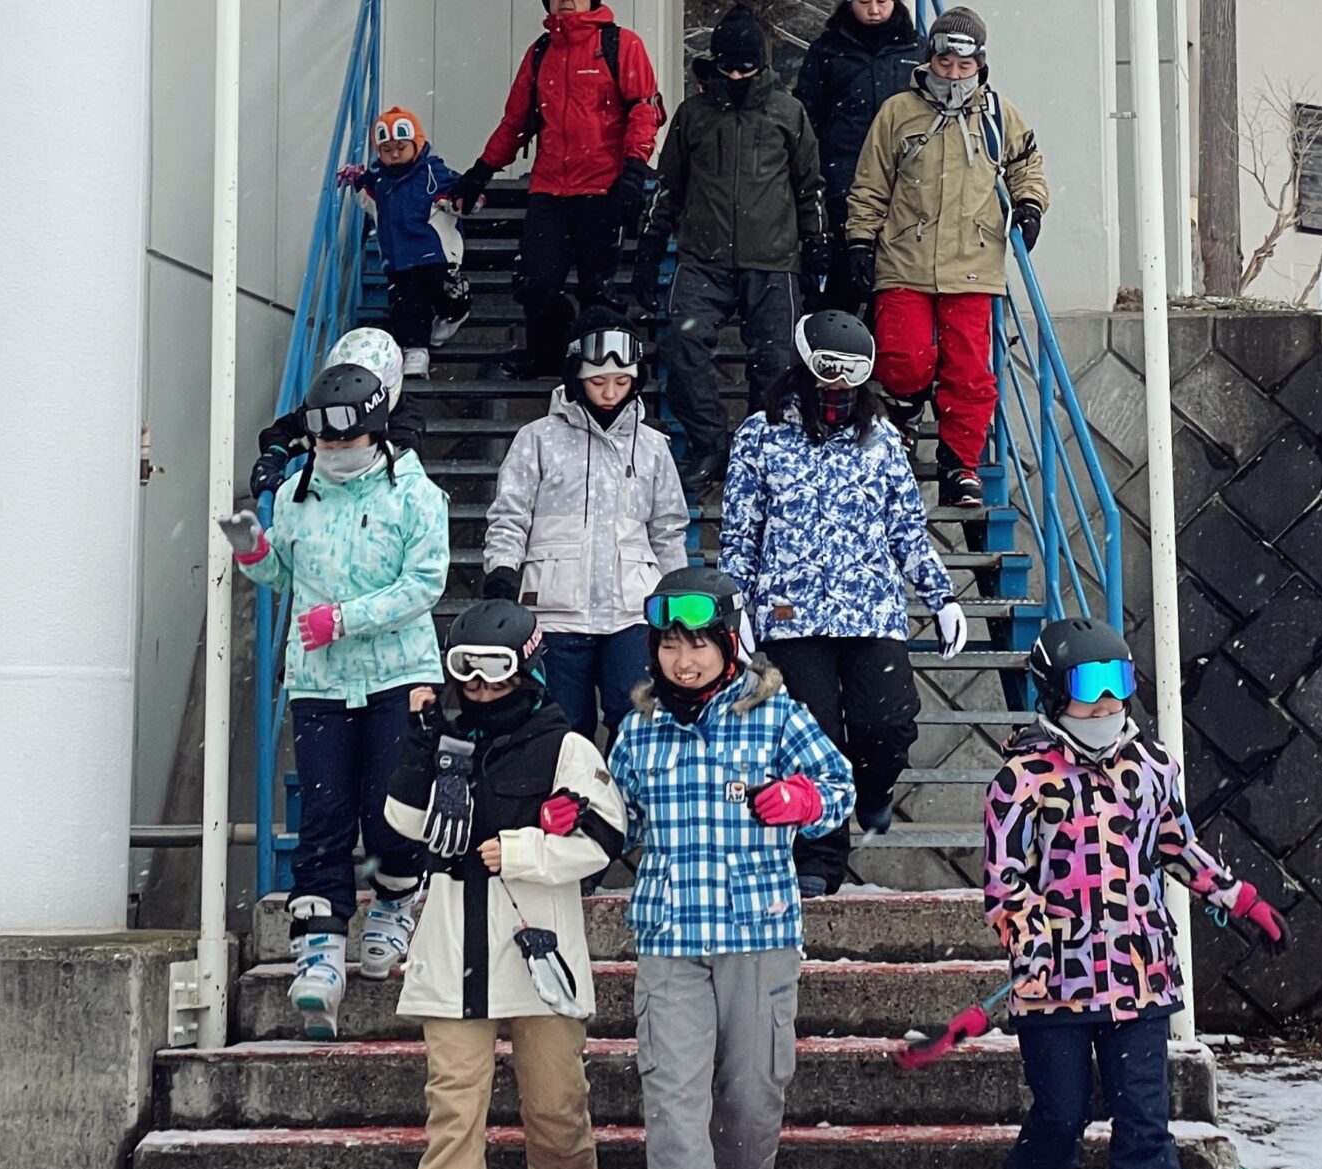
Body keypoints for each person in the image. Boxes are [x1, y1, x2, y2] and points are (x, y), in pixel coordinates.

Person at [983, 616, 1289, 1169]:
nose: (1106, 706)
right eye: (1090, 690)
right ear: (1055, 694)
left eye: (1119, 687)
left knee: (1146, 1127)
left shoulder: (1151, 768)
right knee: (1063, 1109)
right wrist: (1035, 940)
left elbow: (1176, 845)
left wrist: (1235, 896)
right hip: (1053, 983)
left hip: (1138, 977)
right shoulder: (1020, 778)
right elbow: (1003, 885)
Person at [609, 567, 854, 1169]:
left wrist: (804, 799)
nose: (684, 661)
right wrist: (576, 823)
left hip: (759, 935)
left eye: (700, 646)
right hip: (671, 938)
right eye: (671, 646)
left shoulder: (774, 711)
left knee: (752, 1088)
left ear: (729, 645)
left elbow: (838, 783)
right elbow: (619, 820)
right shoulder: (637, 729)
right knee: (674, 1105)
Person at [385, 598, 627, 1169]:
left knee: (554, 1089)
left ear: (526, 665)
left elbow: (604, 838)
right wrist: (421, 744)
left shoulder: (565, 746)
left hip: (535, 940)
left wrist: (522, 850)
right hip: (454, 939)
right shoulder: (442, 735)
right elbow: (399, 822)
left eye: (495, 669)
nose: (481, 685)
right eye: (466, 670)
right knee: (454, 1107)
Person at [219, 355, 449, 1035]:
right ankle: (318, 950)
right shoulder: (297, 490)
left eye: (345, 442)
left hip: (397, 675)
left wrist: (345, 619)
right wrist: (252, 549)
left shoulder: (414, 495)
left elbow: (425, 584)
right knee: (323, 817)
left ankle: (395, 901)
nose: (333, 452)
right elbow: (283, 573)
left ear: (374, 435)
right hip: (320, 681)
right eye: (322, 441)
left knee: (391, 809)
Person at [717, 309, 965, 896]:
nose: (838, 385)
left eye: (852, 373)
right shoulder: (760, 436)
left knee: (888, 723)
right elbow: (739, 532)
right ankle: (821, 858)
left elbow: (906, 528)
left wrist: (942, 595)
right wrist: (739, 606)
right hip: (789, 614)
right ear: (804, 367)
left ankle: (874, 789)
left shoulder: (883, 443)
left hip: (870, 609)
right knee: (812, 739)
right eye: (828, 370)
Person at [844, 4, 1049, 512]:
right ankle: (904, 414)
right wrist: (860, 241)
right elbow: (870, 185)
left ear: (979, 63)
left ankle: (962, 464)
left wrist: (1029, 205)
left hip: (973, 262)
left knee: (969, 373)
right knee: (904, 357)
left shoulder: (999, 114)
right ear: (929, 59)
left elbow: (1027, 164)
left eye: (964, 66)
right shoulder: (896, 113)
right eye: (943, 64)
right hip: (904, 257)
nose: (953, 74)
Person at [629, 6, 827, 495]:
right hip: (703, 258)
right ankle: (708, 444)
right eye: (728, 68)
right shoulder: (693, 114)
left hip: (773, 260)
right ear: (714, 65)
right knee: (682, 344)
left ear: (761, 65)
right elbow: (668, 188)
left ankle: (761, 450)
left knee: (776, 361)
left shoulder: (788, 112)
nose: (737, 76)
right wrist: (649, 251)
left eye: (746, 68)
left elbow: (810, 188)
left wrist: (818, 245)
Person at [449, 0, 664, 381]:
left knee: (596, 287)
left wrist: (635, 169)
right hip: (550, 188)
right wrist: (481, 171)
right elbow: (516, 122)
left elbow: (645, 108)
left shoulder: (621, 44)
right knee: (535, 283)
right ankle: (548, 352)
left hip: (602, 187)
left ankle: (602, 367)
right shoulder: (540, 52)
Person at [483, 308, 689, 746]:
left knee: (635, 720)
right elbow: (510, 514)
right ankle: (563, 809)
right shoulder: (536, 438)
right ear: (576, 376)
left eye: (622, 382)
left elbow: (668, 528)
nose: (611, 393)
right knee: (560, 726)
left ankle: (625, 808)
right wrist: (502, 571)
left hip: (633, 609)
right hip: (555, 610)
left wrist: (675, 597)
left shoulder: (652, 446)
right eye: (598, 382)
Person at [793, 0, 919, 309]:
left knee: (898, 283)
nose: (874, 9)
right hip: (842, 179)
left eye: (882, 1)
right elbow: (807, 115)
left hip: (906, 181)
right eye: (865, 2)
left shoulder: (916, 51)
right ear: (850, 2)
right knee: (841, 281)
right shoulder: (827, 50)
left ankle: (889, 357)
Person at [336, 106, 465, 378]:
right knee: (407, 302)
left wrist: (466, 201)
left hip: (435, 251)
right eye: (386, 149)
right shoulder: (380, 179)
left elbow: (459, 192)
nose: (394, 154)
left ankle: (455, 311)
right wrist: (356, 178)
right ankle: (416, 350)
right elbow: (368, 195)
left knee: (440, 290)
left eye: (401, 147)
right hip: (400, 256)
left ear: (416, 144)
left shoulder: (434, 171)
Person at [248, 325, 417, 506]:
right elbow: (285, 431)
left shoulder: (405, 429)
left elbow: (387, 489)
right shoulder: (330, 409)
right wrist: (274, 457)